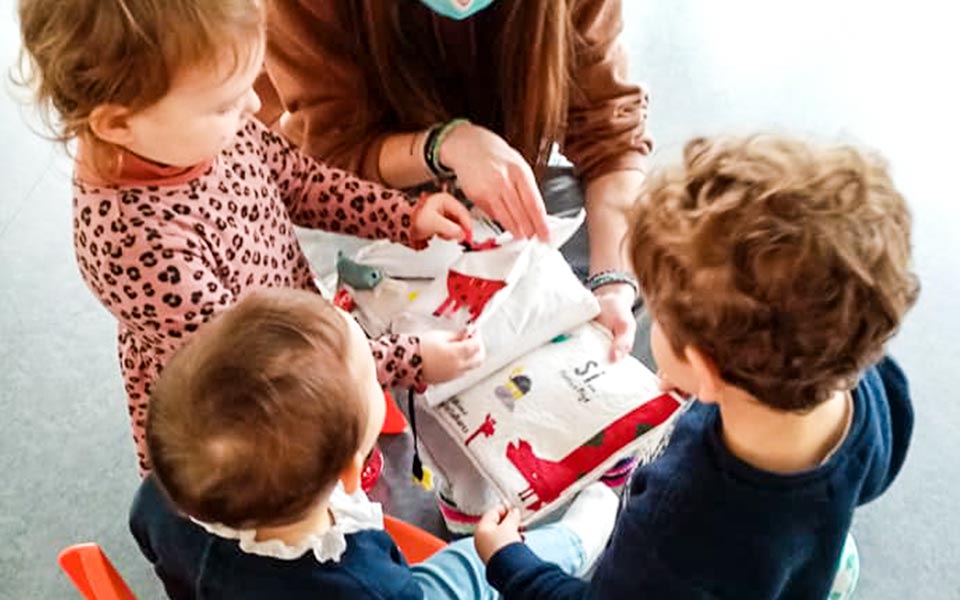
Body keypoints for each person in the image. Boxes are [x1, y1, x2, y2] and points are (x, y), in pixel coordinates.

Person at [17, 0, 483, 475]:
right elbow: (265, 365)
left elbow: (299, 180)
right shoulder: (135, 242)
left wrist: (406, 215)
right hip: (243, 422)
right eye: (224, 102)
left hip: (297, 336)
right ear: (117, 122)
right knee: (294, 504)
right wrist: (407, 360)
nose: (254, 107)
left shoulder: (207, 131)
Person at [473, 135, 920, 598]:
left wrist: (509, 560)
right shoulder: (865, 376)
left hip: (693, 577)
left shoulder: (675, 523)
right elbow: (874, 474)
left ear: (705, 370)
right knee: (796, 555)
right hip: (795, 544)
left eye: (660, 317)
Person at [131, 287, 619, 599]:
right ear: (351, 474)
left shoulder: (157, 497)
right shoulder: (363, 583)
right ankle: (575, 542)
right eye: (373, 380)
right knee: (473, 560)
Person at [261, 0, 652, 362]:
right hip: (350, 188)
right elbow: (328, 151)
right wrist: (443, 146)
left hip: (493, 183)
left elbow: (611, 135)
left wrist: (613, 283)